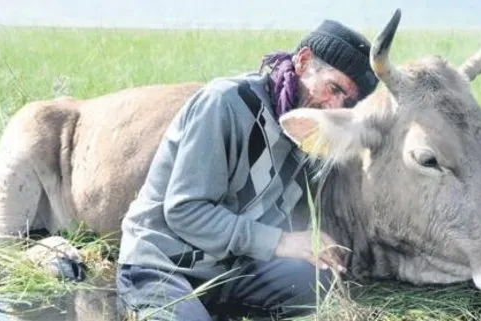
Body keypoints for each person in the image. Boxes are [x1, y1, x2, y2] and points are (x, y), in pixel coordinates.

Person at [116, 19, 379, 321]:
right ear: (303, 61)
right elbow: (185, 213)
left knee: (318, 282)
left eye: (347, 101)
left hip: (230, 269)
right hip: (163, 263)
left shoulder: (310, 133)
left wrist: (314, 244)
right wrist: (282, 242)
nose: (334, 107)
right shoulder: (225, 104)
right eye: (333, 88)